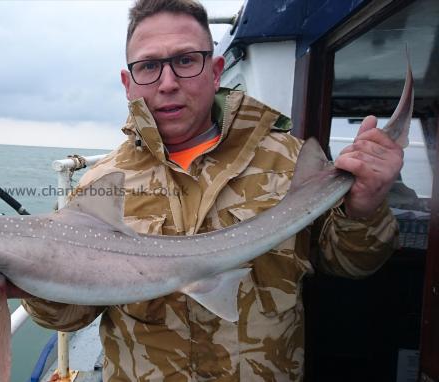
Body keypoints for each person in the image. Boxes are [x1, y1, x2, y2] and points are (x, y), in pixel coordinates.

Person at [20, 0, 402, 380]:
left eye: (186, 61)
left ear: (216, 70)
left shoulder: (287, 160)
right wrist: (30, 278)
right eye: (149, 66)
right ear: (128, 83)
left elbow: (352, 265)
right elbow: (72, 316)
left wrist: (364, 211)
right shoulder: (100, 186)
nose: (167, 83)